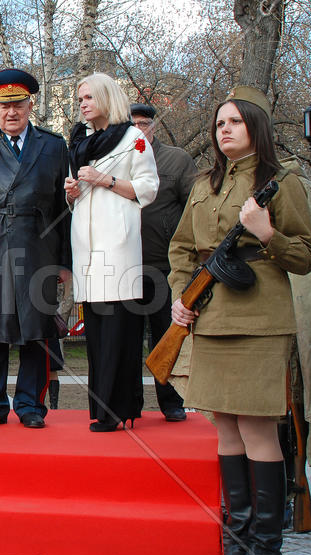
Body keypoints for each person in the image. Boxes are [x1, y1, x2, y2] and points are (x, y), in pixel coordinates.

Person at [168, 86, 311, 555]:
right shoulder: (204, 183)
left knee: (256, 429)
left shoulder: (281, 181)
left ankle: (267, 554)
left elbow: (306, 256)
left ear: (257, 126)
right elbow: (182, 248)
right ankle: (237, 545)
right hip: (210, 316)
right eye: (219, 123)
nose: (224, 130)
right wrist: (180, 296)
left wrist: (266, 232)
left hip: (259, 319)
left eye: (234, 121)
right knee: (226, 429)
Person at [0, 68, 71, 429]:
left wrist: (64, 261)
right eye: (4, 106)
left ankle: (31, 405)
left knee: (37, 332)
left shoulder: (54, 146)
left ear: (30, 105)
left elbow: (63, 209)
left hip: (39, 253)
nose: (11, 112)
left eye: (18, 104)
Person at [64, 73, 159, 432]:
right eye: (80, 99)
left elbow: (148, 187)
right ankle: (101, 410)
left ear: (106, 97)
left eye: (89, 97)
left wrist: (106, 180)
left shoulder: (133, 138)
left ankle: (120, 409)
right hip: (86, 246)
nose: (83, 104)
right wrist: (71, 193)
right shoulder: (80, 141)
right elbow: (78, 194)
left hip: (117, 244)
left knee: (120, 330)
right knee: (97, 333)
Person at [130, 102, 198, 422]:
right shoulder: (117, 160)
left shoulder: (176, 159)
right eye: (132, 125)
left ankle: (171, 402)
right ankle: (130, 403)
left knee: (165, 336)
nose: (138, 130)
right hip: (126, 267)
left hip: (165, 267)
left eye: (143, 124)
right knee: (128, 339)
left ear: (154, 127)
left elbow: (194, 207)